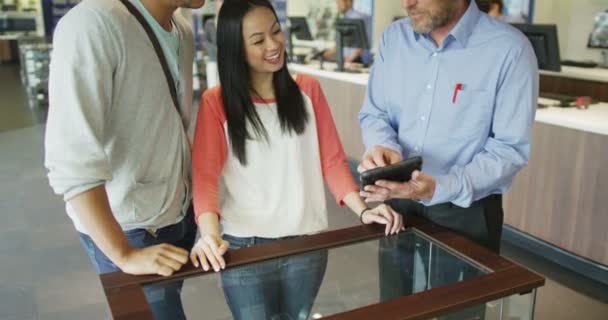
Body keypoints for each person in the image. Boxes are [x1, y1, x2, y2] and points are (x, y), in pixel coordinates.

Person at [189, 1, 404, 319]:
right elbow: (204, 177)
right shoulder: (216, 102)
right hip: (244, 244)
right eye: (259, 40)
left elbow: (331, 160)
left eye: (276, 31)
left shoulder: (308, 90)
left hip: (307, 242)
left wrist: (363, 211)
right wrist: (209, 235)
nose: (274, 45)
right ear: (236, 48)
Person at [358, 0, 537, 312]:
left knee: (459, 313)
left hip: (466, 211)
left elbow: (509, 149)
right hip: (398, 202)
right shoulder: (393, 39)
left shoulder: (510, 50)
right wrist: (384, 147)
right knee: (395, 307)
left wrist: (440, 187)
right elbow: (375, 114)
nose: (407, 3)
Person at [44, 0, 205, 319]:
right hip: (130, 226)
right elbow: (69, 160)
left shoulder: (182, 31)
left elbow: (170, 122)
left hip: (179, 214)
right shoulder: (92, 23)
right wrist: (124, 254)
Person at [322, 0, 373, 65]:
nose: (337, 5)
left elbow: (360, 46)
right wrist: (326, 54)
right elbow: (344, 42)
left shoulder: (356, 18)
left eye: (339, 2)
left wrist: (347, 61)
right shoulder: (346, 18)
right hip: (347, 59)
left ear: (348, 2)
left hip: (358, 60)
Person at [202, 0, 223, 88]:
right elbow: (205, 41)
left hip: (225, 61)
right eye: (218, 4)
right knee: (212, 85)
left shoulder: (228, 24)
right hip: (213, 60)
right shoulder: (209, 23)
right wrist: (216, 51)